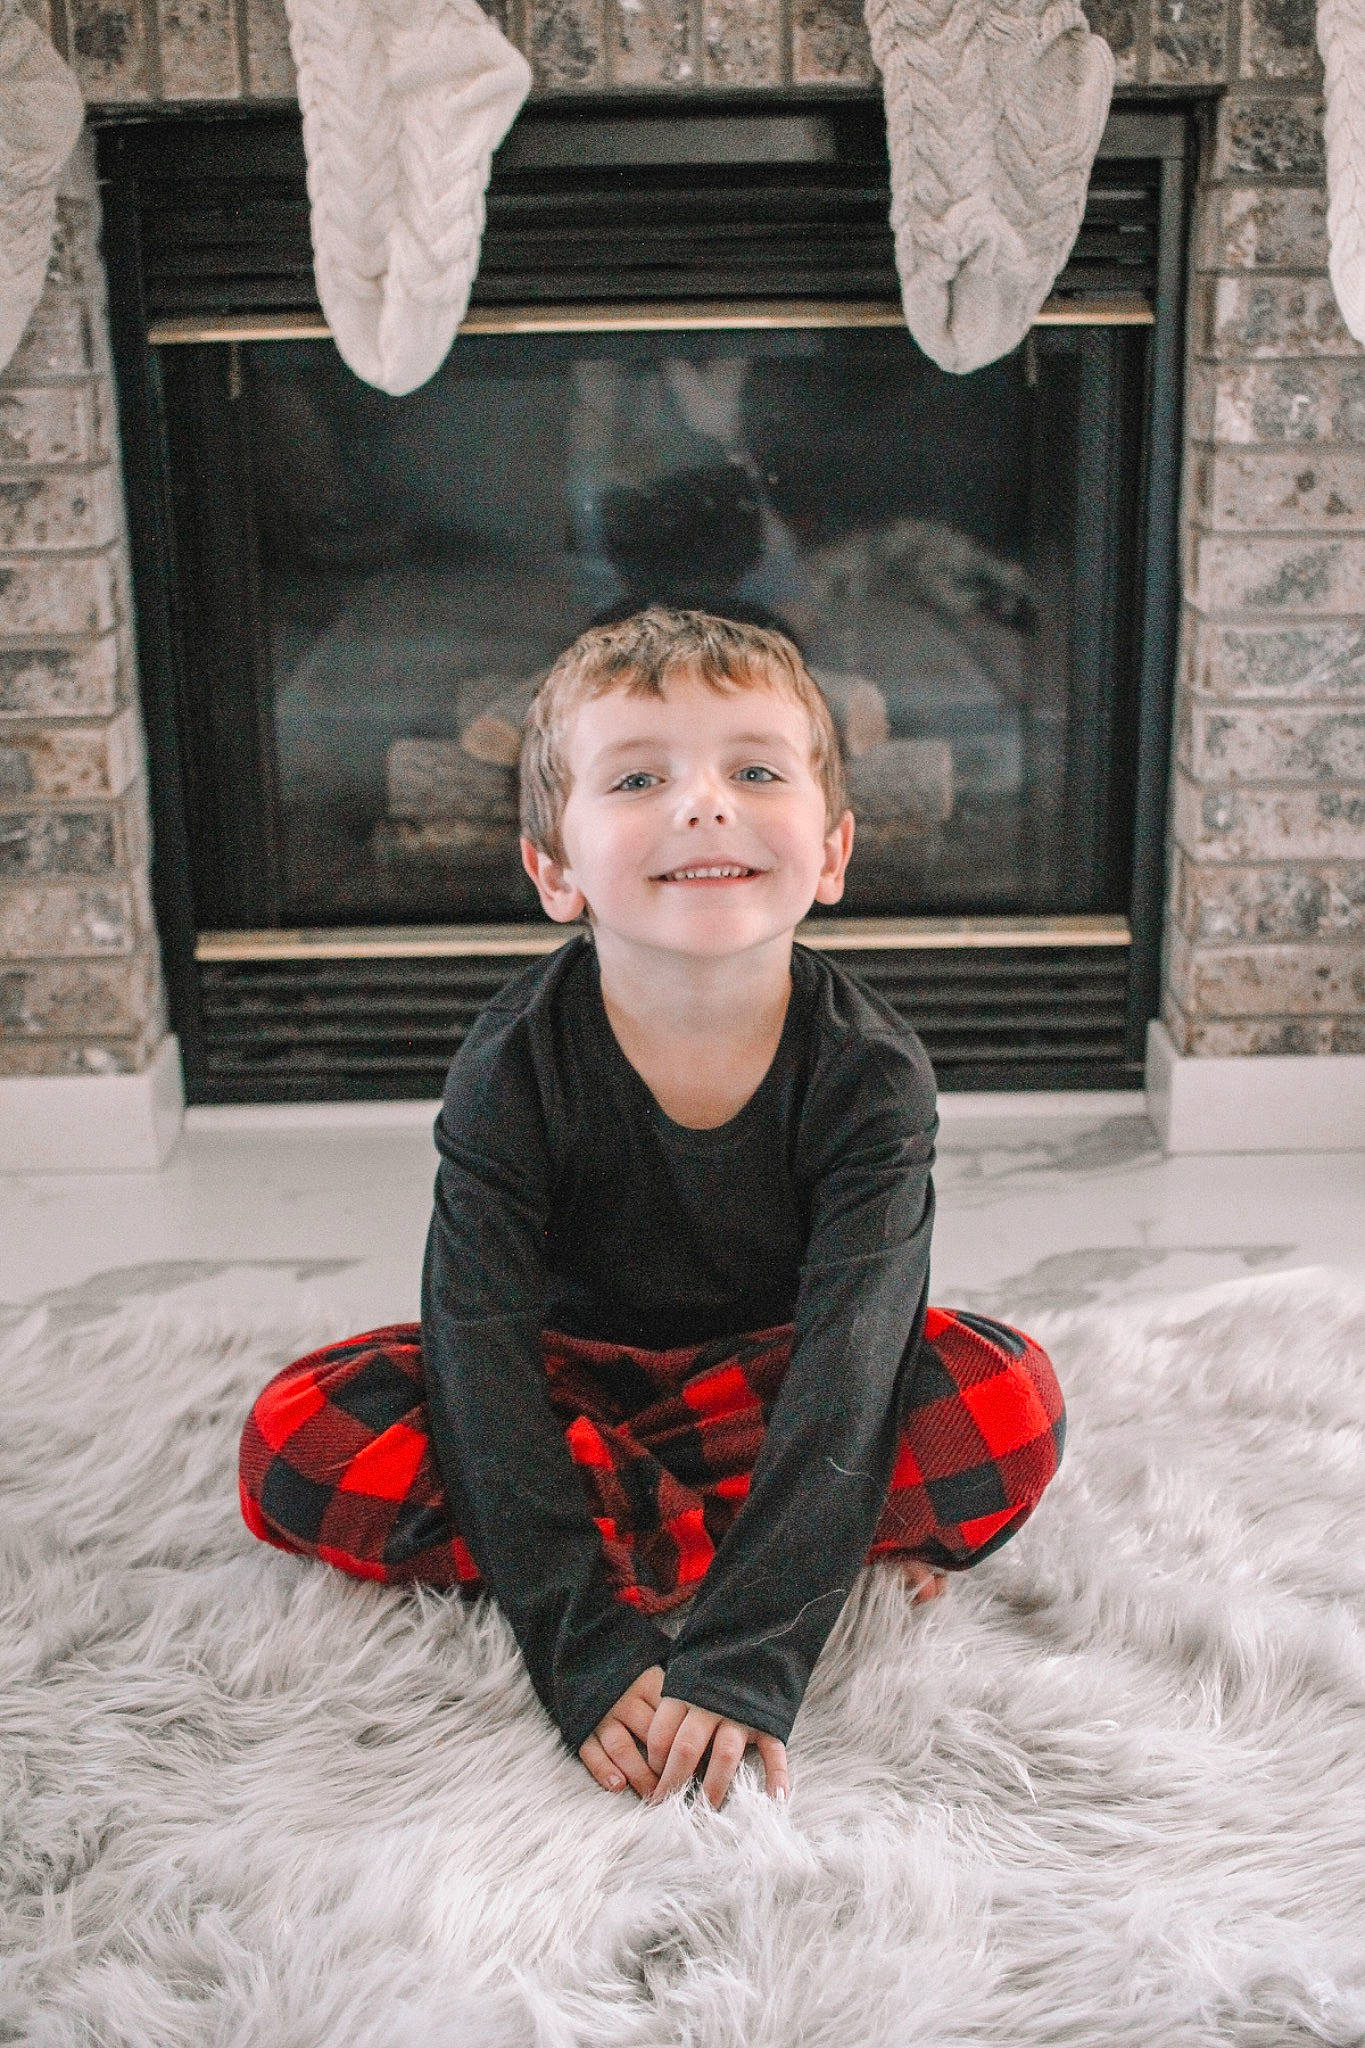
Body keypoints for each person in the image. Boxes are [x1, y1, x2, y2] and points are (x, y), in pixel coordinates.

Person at [239, 606, 1065, 1812]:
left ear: (833, 850)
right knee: (296, 1438)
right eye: (639, 778)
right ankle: (766, 1539)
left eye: (756, 771)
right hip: (563, 1388)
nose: (705, 804)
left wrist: (747, 1652)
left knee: (1006, 1402)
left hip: (777, 1389)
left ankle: (702, 1539)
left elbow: (854, 1364)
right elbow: (476, 1352)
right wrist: (578, 1638)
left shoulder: (872, 1074)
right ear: (554, 870)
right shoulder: (509, 1066)